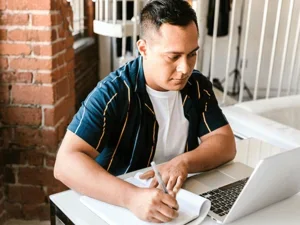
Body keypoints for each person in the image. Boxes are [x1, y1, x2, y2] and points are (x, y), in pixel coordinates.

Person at [54, 0, 236, 223]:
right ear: (143, 49)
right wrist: (131, 198)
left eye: (191, 54)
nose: (185, 68)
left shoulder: (197, 86)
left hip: (181, 204)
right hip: (120, 208)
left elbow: (225, 142)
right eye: (173, 56)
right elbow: (65, 164)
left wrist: (184, 162)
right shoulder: (113, 92)